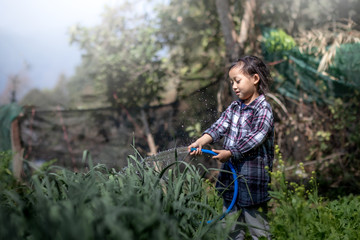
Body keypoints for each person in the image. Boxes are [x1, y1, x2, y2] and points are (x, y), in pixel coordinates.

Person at [188, 55, 274, 240]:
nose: (234, 86)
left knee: (257, 226)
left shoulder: (263, 109)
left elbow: (256, 136)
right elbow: (219, 127)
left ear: (255, 79)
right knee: (230, 226)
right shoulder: (234, 107)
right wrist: (201, 141)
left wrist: (231, 152)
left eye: (238, 81)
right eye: (232, 82)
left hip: (252, 179)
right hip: (231, 177)